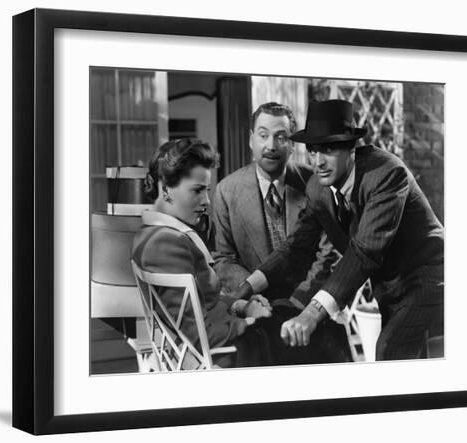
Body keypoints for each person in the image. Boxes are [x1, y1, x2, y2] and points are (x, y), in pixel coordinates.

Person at [234, 99, 444, 361]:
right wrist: (247, 286)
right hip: (388, 287)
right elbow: (297, 247)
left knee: (390, 352)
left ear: (351, 148)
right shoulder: (317, 188)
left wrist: (311, 313)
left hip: (428, 278)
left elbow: (364, 252)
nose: (318, 161)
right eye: (312, 151)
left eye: (329, 149)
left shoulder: (387, 173)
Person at [213, 102, 352, 364]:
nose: (272, 146)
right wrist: (252, 297)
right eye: (263, 135)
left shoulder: (316, 181)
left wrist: (300, 303)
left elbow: (328, 252)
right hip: (254, 307)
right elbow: (223, 259)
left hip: (306, 301)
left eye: (281, 137)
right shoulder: (226, 191)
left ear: (292, 143)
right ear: (251, 139)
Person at [131, 138, 273, 368]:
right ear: (165, 189)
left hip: (226, 339)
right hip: (228, 357)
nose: (206, 200)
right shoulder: (164, 244)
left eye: (206, 190)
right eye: (197, 190)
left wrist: (240, 305)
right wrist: (250, 321)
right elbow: (201, 336)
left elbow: (204, 301)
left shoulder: (154, 234)